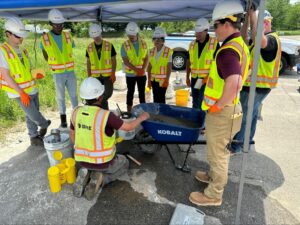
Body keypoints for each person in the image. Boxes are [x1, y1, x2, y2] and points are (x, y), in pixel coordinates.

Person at [189, 0, 250, 206]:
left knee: (219, 154)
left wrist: (218, 105)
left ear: (227, 23)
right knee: (217, 150)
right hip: (231, 108)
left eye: (215, 25)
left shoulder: (227, 51)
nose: (214, 30)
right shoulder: (239, 44)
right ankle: (213, 176)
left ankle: (214, 194)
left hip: (223, 111)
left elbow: (234, 81)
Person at [69, 77, 150, 200]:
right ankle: (101, 180)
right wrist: (141, 118)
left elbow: (72, 135)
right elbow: (128, 127)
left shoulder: (76, 112)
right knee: (124, 163)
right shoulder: (106, 116)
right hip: (103, 163)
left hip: (82, 160)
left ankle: (86, 173)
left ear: (84, 97)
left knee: (88, 164)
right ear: (99, 97)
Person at [229, 9, 281, 154]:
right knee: (250, 116)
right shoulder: (259, 40)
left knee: (244, 116)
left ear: (265, 23)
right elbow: (244, 37)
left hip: (258, 86)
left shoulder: (270, 40)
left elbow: (259, 39)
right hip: (255, 86)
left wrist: (252, 14)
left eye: (256, 25)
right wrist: (247, 18)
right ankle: (247, 142)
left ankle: (237, 146)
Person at [0, 17, 51, 146]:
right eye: (18, 36)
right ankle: (44, 124)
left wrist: (35, 74)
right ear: (8, 34)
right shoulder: (3, 51)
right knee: (34, 114)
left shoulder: (22, 49)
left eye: (22, 36)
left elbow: (25, 70)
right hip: (18, 92)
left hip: (32, 87)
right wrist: (21, 92)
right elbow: (6, 75)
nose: (21, 39)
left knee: (30, 116)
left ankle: (34, 137)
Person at [40, 9, 78, 128]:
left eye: (61, 24)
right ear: (50, 24)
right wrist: (54, 63)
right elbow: (45, 54)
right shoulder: (45, 38)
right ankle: (63, 120)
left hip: (70, 72)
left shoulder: (68, 35)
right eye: (56, 24)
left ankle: (76, 117)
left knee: (73, 96)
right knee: (60, 97)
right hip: (57, 73)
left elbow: (71, 48)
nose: (59, 26)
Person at [186, 18, 219, 111]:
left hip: (207, 80)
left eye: (200, 32)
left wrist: (208, 77)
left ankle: (202, 123)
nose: (197, 34)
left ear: (206, 31)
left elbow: (217, 63)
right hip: (195, 79)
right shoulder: (192, 44)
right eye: (196, 32)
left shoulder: (214, 43)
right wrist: (187, 77)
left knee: (202, 102)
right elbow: (188, 61)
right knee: (195, 101)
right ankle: (194, 121)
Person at [86, 23, 117, 110]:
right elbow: (88, 63)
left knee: (108, 93)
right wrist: (89, 76)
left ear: (100, 33)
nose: (96, 37)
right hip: (95, 76)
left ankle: (100, 105)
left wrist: (113, 73)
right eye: (94, 36)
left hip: (107, 75)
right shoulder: (89, 47)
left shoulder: (109, 45)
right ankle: (103, 111)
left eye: (97, 35)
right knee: (95, 94)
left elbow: (114, 60)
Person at [121, 22, 149, 113]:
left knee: (142, 93)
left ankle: (143, 112)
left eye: (132, 35)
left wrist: (143, 69)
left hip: (142, 73)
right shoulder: (124, 45)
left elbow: (147, 58)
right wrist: (137, 70)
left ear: (137, 33)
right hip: (130, 74)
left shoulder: (144, 44)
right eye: (129, 35)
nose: (131, 36)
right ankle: (129, 112)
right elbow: (126, 61)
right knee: (130, 93)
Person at [147, 27, 172, 103]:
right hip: (153, 80)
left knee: (161, 99)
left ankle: (161, 114)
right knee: (155, 98)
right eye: (154, 39)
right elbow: (149, 67)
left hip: (163, 80)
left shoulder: (168, 51)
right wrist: (149, 80)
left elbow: (169, 67)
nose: (156, 41)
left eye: (159, 39)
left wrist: (167, 80)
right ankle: (156, 113)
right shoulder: (150, 51)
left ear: (163, 40)